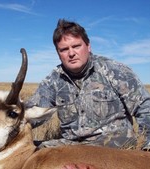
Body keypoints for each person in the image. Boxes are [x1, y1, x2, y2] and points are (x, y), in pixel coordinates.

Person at [25, 19, 150, 150]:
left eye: (76, 46)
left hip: (114, 148)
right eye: (64, 49)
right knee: (26, 152)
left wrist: (147, 147)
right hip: (72, 147)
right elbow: (32, 114)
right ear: (58, 53)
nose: (71, 53)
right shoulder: (53, 80)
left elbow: (145, 108)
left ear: (88, 46)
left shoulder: (115, 70)